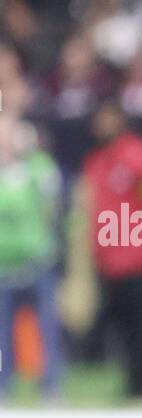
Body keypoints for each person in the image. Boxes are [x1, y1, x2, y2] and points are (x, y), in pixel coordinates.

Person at [83, 101, 142, 398]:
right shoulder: (98, 163)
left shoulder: (139, 158)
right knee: (124, 328)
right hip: (113, 261)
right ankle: (132, 384)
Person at [0, 110, 64, 400]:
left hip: (36, 262)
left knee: (47, 325)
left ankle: (51, 385)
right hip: (3, 265)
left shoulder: (38, 168)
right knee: (2, 331)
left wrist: (29, 156)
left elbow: (53, 196)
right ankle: (3, 386)